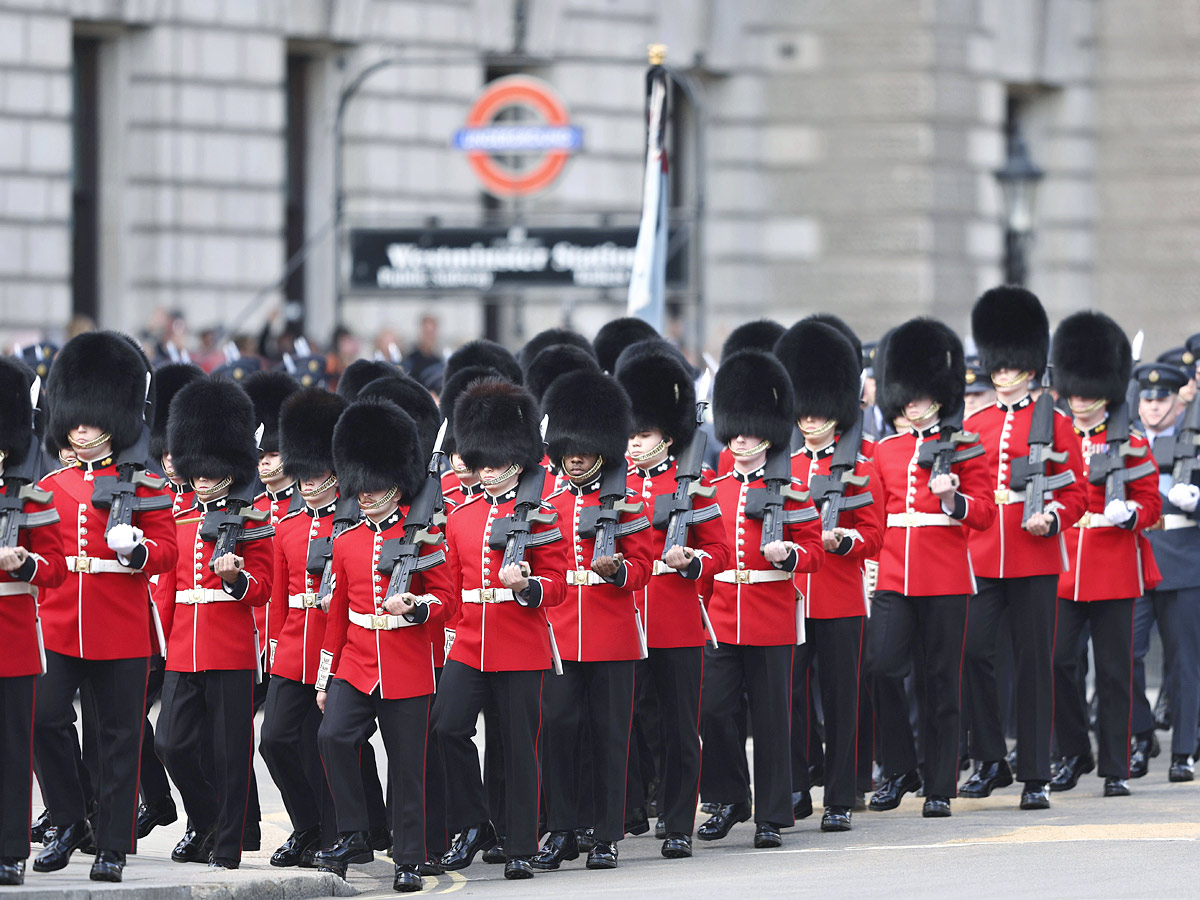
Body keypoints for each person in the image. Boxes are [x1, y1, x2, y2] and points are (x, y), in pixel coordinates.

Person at [33, 332, 178, 883]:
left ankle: (113, 845)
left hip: (120, 627)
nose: (80, 428)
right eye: (74, 420)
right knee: (43, 716)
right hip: (63, 622)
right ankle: (71, 819)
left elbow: (166, 553)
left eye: (90, 421)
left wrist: (138, 550)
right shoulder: (50, 486)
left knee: (118, 738)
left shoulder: (144, 486)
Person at [431, 377, 570, 880]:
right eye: (481, 465)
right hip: (469, 640)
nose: (487, 475)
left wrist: (529, 585)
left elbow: (558, 585)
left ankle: (521, 844)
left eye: (497, 466)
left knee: (517, 747)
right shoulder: (461, 515)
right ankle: (473, 824)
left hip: (520, 642)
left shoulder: (541, 514)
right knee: (447, 726)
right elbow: (451, 580)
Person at [314, 398, 451, 893]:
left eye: (376, 489)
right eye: (362, 489)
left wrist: (416, 608)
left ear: (396, 486)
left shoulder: (425, 538)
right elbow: (337, 615)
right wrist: (326, 677)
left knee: (407, 767)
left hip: (407, 663)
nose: (366, 496)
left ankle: (409, 859)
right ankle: (353, 833)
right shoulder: (347, 541)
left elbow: (447, 601)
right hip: (355, 662)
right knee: (332, 738)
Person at [960, 287, 1086, 810]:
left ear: (1030, 366)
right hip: (984, 552)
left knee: (1035, 665)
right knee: (972, 653)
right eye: (998, 362)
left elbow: (1076, 490)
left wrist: (1054, 516)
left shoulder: (1055, 423)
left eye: (1011, 362)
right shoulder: (976, 424)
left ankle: (1035, 771)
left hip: (1034, 554)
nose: (1002, 371)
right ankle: (991, 757)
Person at [866, 318, 996, 818]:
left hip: (944, 575)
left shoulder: (965, 446)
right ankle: (900, 767)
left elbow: (983, 514)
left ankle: (941, 783)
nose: (913, 402)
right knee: (881, 667)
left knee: (942, 680)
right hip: (896, 572)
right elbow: (878, 515)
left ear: (940, 396)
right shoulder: (887, 450)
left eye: (922, 394)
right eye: (907, 395)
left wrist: (954, 499)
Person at [697, 349, 824, 849]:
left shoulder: (792, 491)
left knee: (773, 718)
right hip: (724, 615)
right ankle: (729, 797)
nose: (741, 438)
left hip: (770, 614)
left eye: (750, 429)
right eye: (736, 429)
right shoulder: (713, 488)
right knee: (714, 709)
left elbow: (814, 551)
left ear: (768, 431)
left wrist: (790, 554)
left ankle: (772, 813)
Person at [531, 369, 653, 872]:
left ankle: (606, 835)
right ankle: (561, 829)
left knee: (609, 736)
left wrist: (620, 570)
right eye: (568, 448)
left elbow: (644, 566)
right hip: (560, 631)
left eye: (584, 448)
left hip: (612, 634)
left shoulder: (629, 502)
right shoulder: (548, 502)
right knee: (557, 730)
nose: (574, 456)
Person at [154, 376, 274, 869]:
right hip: (183, 645)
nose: (200, 477)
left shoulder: (251, 516)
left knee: (229, 752)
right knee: (171, 744)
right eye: (195, 469)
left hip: (229, 645)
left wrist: (236, 581)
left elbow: (264, 586)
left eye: (209, 469)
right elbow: (167, 583)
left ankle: (227, 844)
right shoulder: (176, 514)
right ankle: (205, 820)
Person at [615, 340, 728, 859]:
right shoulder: (611, 488)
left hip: (677, 617)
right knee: (629, 720)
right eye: (631, 435)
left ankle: (679, 821)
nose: (635, 445)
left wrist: (694, 565)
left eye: (644, 435)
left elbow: (720, 552)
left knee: (683, 727)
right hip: (626, 617)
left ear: (668, 437)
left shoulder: (695, 484)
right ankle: (631, 808)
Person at [775, 321, 884, 832]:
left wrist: (848, 543)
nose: (812, 419)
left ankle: (841, 794)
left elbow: (875, 534)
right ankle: (797, 784)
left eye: (820, 410)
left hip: (841, 594)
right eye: (805, 409)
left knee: (843, 699)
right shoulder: (784, 464)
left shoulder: (863, 460)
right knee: (790, 696)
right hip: (791, 596)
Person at [1048, 311, 1161, 798]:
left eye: (1090, 392)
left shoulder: (1131, 442)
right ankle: (1074, 749)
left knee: (1115, 671)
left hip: (1114, 565)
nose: (1082, 400)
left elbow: (1152, 505)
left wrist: (1129, 513)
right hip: (1065, 565)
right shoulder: (1053, 438)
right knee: (1057, 662)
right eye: (1076, 391)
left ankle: (1115, 764)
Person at [259, 387, 348, 869]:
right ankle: (307, 825)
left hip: (335, 647)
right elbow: (277, 594)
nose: (310, 480)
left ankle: (334, 837)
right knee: (273, 740)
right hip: (294, 644)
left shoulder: (350, 522)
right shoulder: (289, 524)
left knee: (324, 747)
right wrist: (273, 646)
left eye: (318, 470)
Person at [0, 358, 67, 886]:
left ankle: (9, 850)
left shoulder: (30, 496)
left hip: (12, 638)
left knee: (11, 750)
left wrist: (25, 564)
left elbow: (56, 569)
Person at [1129, 361, 1199, 783]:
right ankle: (1140, 737)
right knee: (1127, 655)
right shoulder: (1127, 443)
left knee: (1183, 662)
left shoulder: (1193, 441)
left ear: (1178, 401)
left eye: (1162, 400)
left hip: (1183, 559)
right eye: (1147, 400)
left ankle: (1184, 750)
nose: (1154, 407)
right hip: (1136, 557)